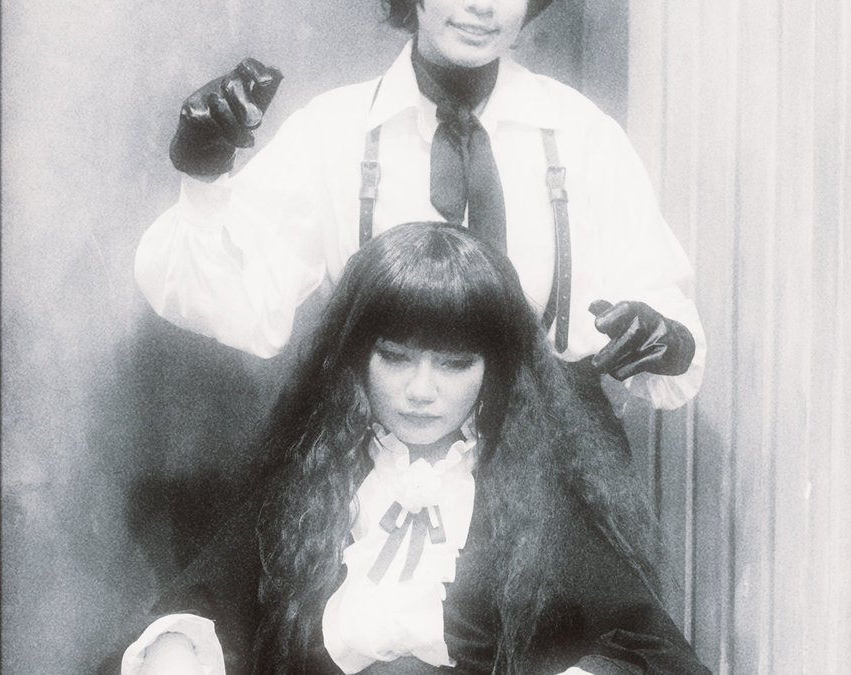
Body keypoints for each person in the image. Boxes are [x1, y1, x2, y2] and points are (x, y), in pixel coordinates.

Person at [116, 222, 709, 675]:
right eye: (395, 357)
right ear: (356, 357)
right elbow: (206, 602)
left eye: (454, 364)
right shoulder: (307, 491)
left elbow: (652, 650)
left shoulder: (536, 506)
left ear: (494, 370)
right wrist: (177, 648)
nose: (421, 391)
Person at [134, 0, 707, 432]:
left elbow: (658, 296)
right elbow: (238, 302)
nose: (483, 7)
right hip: (375, 465)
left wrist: (667, 339)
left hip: (552, 463)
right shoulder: (331, 131)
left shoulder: (583, 135)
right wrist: (202, 177)